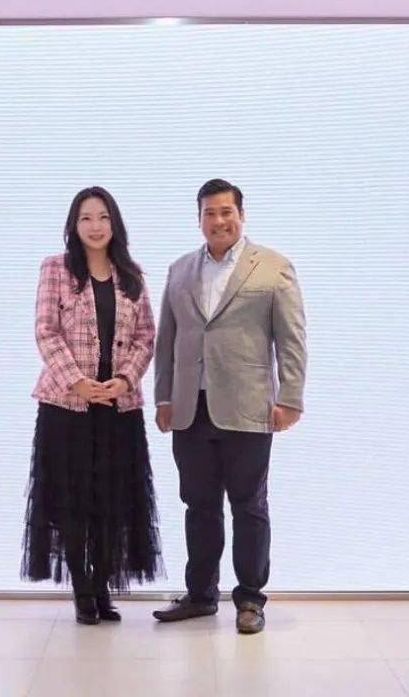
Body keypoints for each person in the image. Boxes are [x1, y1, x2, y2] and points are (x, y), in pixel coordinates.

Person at [152, 178, 307, 635]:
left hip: (248, 405)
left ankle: (250, 599)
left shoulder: (273, 267)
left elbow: (292, 339)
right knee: (198, 505)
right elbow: (167, 340)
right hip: (190, 408)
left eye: (226, 212)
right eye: (209, 213)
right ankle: (201, 595)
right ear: (198, 218)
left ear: (241, 215)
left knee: (248, 504)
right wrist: (163, 397)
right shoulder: (180, 270)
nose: (218, 221)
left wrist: (290, 397)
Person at [21, 187, 164, 624]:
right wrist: (78, 383)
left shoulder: (132, 274)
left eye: (103, 217)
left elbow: (146, 337)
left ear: (115, 223)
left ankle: (102, 587)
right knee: (72, 501)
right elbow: (46, 331)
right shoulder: (56, 268)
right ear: (74, 225)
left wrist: (125, 380)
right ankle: (83, 591)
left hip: (119, 408)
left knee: (112, 502)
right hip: (67, 407)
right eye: (86, 218)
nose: (95, 226)